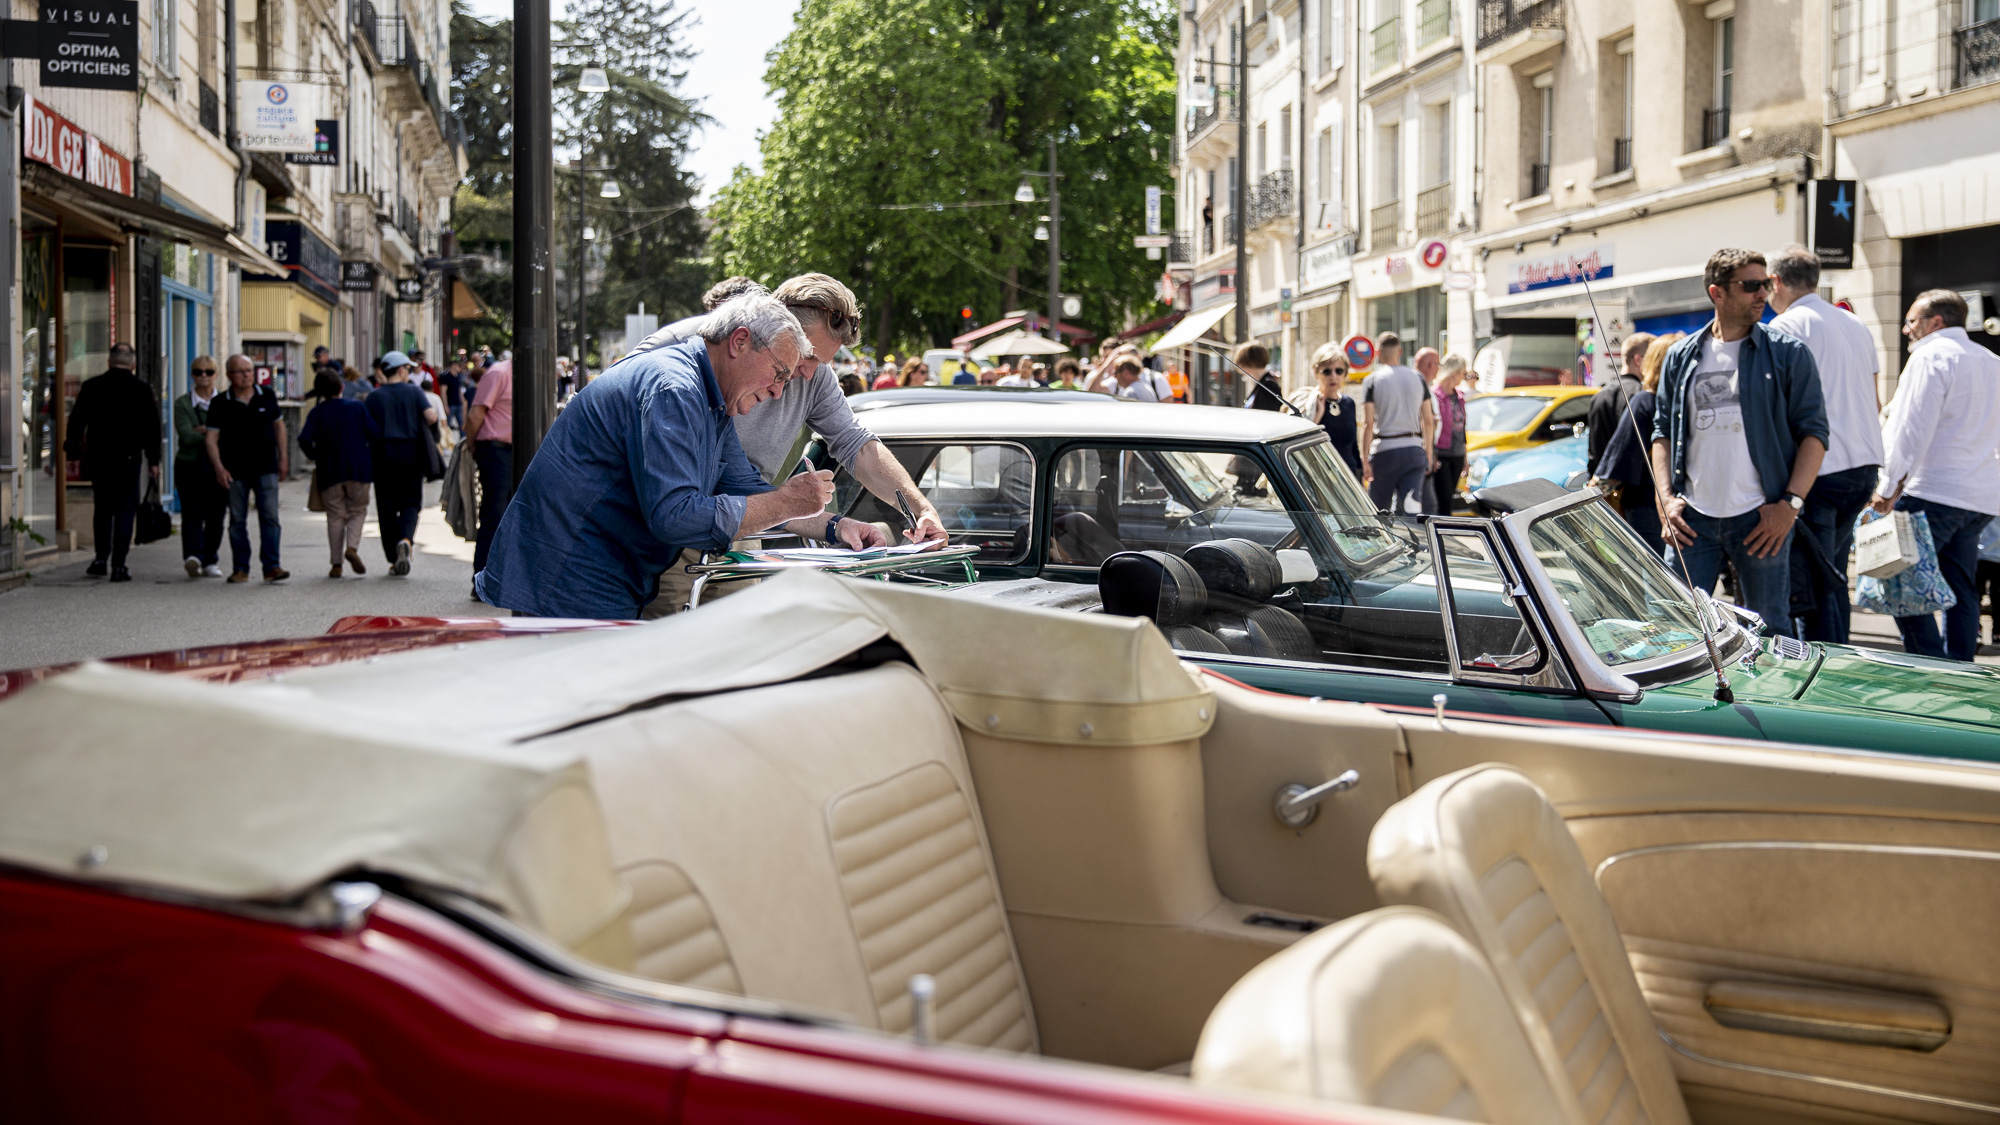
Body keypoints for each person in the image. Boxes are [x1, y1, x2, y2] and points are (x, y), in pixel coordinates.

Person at [475, 296, 886, 618]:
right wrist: (786, 501)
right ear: (740, 342)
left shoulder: (710, 398)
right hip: (569, 579)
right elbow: (675, 515)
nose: (779, 391)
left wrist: (836, 526)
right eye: (779, 373)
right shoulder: (675, 388)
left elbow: (747, 489)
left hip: (598, 575)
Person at [1650, 248, 1828, 637]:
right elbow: (1661, 431)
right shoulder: (1682, 355)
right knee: (1673, 627)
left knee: (1770, 631)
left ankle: (1769, 700)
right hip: (1692, 517)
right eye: (1750, 286)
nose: (1762, 294)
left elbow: (1815, 434)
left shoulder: (1787, 353)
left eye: (1765, 285)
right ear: (1717, 293)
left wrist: (1790, 506)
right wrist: (1665, 498)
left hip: (1761, 516)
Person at [1872, 289, 2000, 662]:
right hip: (1979, 497)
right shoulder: (1992, 360)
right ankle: (1958, 665)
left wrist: (1888, 485)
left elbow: (1910, 428)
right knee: (1961, 586)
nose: (1906, 329)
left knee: (1897, 581)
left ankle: (1927, 663)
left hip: (1933, 490)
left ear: (1935, 323)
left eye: (1911, 321)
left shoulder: (1930, 356)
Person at [1768, 246, 1883, 645]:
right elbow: (1875, 400)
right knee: (1833, 574)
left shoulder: (1785, 327)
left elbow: (1779, 410)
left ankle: (1827, 664)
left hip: (1820, 467)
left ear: (1777, 282)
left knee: (1816, 584)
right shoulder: (1855, 324)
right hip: (1863, 464)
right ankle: (1838, 654)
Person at [63, 342, 160, 582]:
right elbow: (152, 428)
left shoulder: (92, 386)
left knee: (103, 509)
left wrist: (73, 453)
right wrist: (154, 459)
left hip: (99, 457)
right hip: (129, 458)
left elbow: (76, 423)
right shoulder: (142, 389)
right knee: (126, 511)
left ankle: (100, 558)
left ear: (108, 362)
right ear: (133, 364)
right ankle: (119, 564)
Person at [1594, 332, 1684, 558]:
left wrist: (1594, 491)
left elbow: (1620, 457)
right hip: (1687, 502)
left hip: (1645, 504)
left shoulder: (1645, 401)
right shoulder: (1690, 403)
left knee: (1653, 581)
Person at [205, 354, 289, 583]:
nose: (246, 375)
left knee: (270, 517)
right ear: (230, 375)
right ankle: (241, 568)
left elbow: (279, 428)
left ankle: (272, 566)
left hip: (266, 467)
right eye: (240, 371)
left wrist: (283, 458)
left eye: (249, 370)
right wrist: (219, 468)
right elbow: (211, 438)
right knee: (237, 521)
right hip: (235, 471)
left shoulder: (267, 396)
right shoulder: (220, 402)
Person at [297, 369, 378, 578]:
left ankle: (336, 564)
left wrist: (315, 455)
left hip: (329, 469)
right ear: (342, 387)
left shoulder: (317, 413)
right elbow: (374, 433)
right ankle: (351, 547)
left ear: (320, 392)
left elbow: (304, 439)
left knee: (335, 516)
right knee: (358, 510)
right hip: (359, 467)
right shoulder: (357, 408)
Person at [365, 351, 438, 577]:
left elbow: (367, 427)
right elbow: (431, 417)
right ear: (401, 370)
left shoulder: (374, 396)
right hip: (410, 453)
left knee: (386, 507)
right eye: (407, 369)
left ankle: (393, 557)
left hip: (382, 453)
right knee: (410, 502)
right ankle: (406, 539)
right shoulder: (414, 391)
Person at [1359, 332, 1436, 515]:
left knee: (1380, 512)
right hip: (1413, 450)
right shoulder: (1418, 378)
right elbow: (1428, 420)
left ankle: (1382, 542)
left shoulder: (1372, 380)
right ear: (1400, 351)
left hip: (1384, 451)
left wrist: (1364, 459)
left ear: (1378, 352)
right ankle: (1414, 543)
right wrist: (1428, 451)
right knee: (1411, 508)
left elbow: (1367, 424)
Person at [171, 356, 227, 577]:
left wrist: (203, 430)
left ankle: (210, 559)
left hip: (217, 465)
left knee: (216, 515)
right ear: (192, 374)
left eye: (209, 371)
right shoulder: (183, 403)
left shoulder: (223, 401)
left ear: (216, 374)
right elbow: (186, 435)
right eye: (198, 371)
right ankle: (192, 556)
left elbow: (229, 434)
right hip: (189, 465)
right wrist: (213, 433)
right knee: (191, 511)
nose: (203, 376)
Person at [464, 350, 514, 581]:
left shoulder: (537, 373)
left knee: (515, 516)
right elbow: (476, 415)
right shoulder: (499, 373)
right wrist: (474, 447)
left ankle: (506, 578)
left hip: (518, 451)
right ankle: (483, 579)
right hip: (497, 450)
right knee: (494, 514)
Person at [1586, 332, 1656, 474]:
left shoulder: (1600, 394)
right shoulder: (1641, 396)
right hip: (1635, 487)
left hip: (1606, 487)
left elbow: (1593, 450)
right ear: (1638, 360)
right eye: (1652, 360)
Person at [1289, 343, 1362, 478]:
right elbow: (1297, 444)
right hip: (1319, 477)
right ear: (1316, 373)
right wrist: (1317, 417)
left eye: (1339, 371)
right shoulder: (1308, 403)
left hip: (1349, 476)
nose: (1333, 376)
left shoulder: (1349, 403)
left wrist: (1360, 473)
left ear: (1345, 373)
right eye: (1327, 371)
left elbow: (1354, 446)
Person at [1428, 353, 1470, 515]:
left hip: (1457, 454)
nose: (1463, 377)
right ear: (1454, 372)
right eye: (1462, 372)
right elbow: (1431, 426)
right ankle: (1443, 533)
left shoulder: (1460, 396)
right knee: (1443, 498)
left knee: (1449, 497)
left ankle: (1445, 531)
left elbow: (1462, 428)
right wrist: (1432, 453)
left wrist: (1465, 458)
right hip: (1441, 454)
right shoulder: (1434, 394)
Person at [1237, 344, 1285, 410]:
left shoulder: (1269, 386)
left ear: (1249, 362)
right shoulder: (1261, 383)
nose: (1239, 366)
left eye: (1241, 363)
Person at [437, 360, 467, 433]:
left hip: (458, 403)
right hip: (450, 404)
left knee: (462, 425)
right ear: (453, 365)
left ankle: (462, 441)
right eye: (458, 366)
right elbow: (443, 392)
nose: (460, 368)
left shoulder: (458, 376)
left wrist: (463, 401)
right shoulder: (446, 376)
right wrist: (445, 405)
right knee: (447, 425)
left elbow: (459, 390)